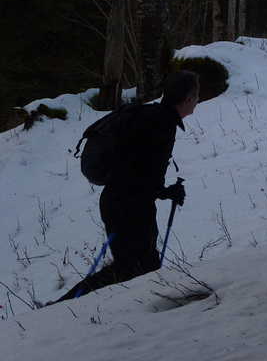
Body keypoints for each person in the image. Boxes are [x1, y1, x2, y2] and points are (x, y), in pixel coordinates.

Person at [54, 70, 199, 302]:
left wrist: (164, 192)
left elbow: (142, 170)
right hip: (124, 205)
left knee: (143, 266)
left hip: (133, 204)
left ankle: (133, 313)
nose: (198, 101)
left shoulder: (164, 121)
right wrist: (125, 200)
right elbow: (123, 156)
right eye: (197, 95)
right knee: (131, 267)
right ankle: (64, 307)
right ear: (189, 98)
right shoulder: (156, 119)